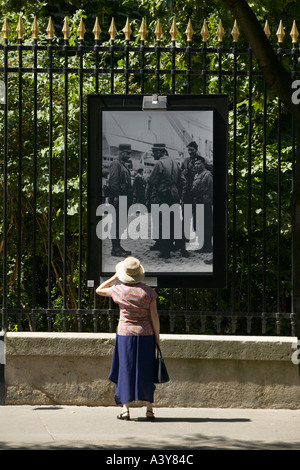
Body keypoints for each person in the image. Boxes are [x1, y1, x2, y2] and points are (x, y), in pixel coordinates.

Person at [96, 256, 160, 421]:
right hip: (146, 335)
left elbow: (99, 289)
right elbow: (154, 318)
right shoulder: (148, 292)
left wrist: (115, 277)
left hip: (125, 335)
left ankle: (126, 410)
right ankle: (149, 409)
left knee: (125, 369)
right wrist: (157, 338)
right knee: (146, 369)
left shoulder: (118, 290)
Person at [146, 143, 188, 258]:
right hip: (174, 196)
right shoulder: (175, 162)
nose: (152, 154)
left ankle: (165, 251)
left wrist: (148, 196)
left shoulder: (159, 163)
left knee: (163, 223)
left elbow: (151, 181)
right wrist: (177, 192)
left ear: (160, 152)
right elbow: (183, 182)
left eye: (154, 152)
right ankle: (182, 248)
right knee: (175, 222)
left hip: (162, 196)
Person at [108, 144, 133, 257]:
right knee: (116, 223)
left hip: (124, 198)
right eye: (127, 153)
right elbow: (113, 182)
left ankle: (118, 245)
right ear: (121, 152)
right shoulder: (115, 164)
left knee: (121, 223)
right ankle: (115, 248)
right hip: (118, 199)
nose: (129, 156)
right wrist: (117, 197)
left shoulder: (123, 165)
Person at [191, 157, 213, 253]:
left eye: (199, 164)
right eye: (195, 164)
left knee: (206, 224)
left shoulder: (207, 174)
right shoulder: (196, 175)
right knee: (198, 224)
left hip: (205, 202)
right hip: (197, 201)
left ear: (203, 164)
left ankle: (207, 246)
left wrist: (211, 202)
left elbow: (211, 189)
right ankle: (202, 244)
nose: (196, 166)